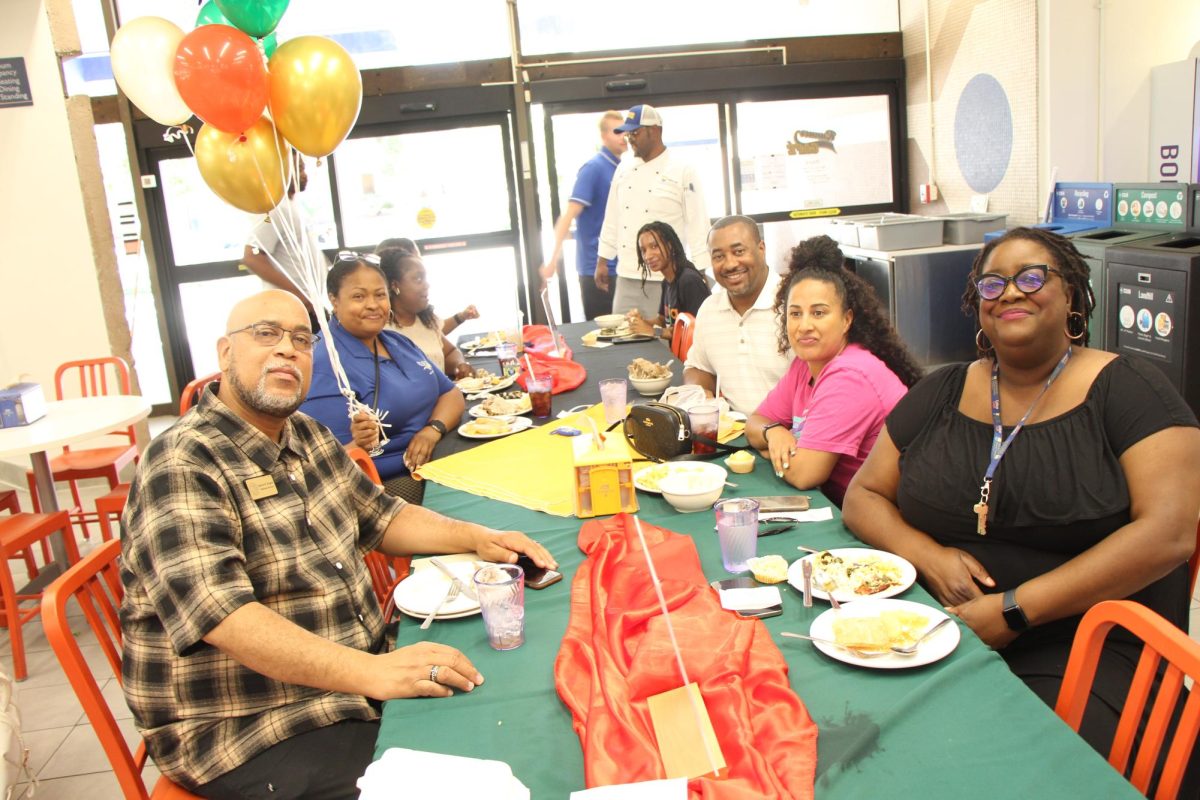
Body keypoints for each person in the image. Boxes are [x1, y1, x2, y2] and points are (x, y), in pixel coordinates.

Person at [120, 289, 556, 798]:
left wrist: (479, 537)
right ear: (225, 353)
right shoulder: (182, 463)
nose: (287, 349)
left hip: (348, 676)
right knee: (461, 774)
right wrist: (373, 672)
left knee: (516, 702)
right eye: (266, 334)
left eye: (301, 339)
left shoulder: (303, 435)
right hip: (248, 725)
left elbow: (382, 516)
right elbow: (224, 617)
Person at [842, 227, 1200, 787]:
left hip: (1088, 641)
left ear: (1072, 296)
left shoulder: (1131, 391)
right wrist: (930, 557)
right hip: (943, 624)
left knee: (1008, 774)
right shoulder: (940, 391)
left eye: (1032, 277)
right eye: (993, 283)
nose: (1010, 292)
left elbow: (1170, 533)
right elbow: (863, 496)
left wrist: (1015, 609)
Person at [746, 235, 922, 506]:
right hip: (843, 506)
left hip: (891, 517)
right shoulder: (804, 366)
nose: (804, 325)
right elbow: (755, 422)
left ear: (846, 320)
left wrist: (775, 449)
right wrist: (775, 433)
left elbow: (805, 474)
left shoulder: (850, 375)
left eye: (818, 313)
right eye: (795, 313)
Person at [299, 253, 464, 502]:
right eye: (359, 296)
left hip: (441, 451)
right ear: (334, 299)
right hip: (391, 481)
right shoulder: (324, 364)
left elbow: (450, 393)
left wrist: (432, 430)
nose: (373, 304)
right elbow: (337, 464)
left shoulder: (397, 341)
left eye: (380, 294)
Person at [596, 104, 711, 320]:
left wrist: (701, 269)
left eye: (635, 132)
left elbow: (697, 222)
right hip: (627, 274)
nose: (630, 139)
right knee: (621, 335)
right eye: (628, 133)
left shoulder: (683, 169)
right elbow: (612, 217)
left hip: (664, 278)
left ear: (655, 130)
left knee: (660, 340)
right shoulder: (623, 167)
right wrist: (603, 259)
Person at [684, 215, 792, 414]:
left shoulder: (794, 305)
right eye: (718, 256)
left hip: (791, 434)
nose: (730, 264)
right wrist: (701, 394)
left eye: (739, 251)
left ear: (761, 249)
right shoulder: (709, 309)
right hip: (734, 433)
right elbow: (698, 367)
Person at [539, 110, 627, 319]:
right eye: (617, 132)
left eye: (625, 131)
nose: (623, 136)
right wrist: (552, 260)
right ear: (604, 136)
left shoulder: (621, 167)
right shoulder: (594, 168)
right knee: (602, 338)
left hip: (620, 266)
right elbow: (567, 217)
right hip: (596, 270)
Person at [242, 155, 330, 304]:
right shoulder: (275, 209)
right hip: (294, 304)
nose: (304, 175)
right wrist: (300, 296)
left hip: (311, 301)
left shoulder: (291, 205)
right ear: (281, 172)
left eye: (303, 169)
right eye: (299, 169)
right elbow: (252, 257)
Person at [378, 248, 473, 380]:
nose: (427, 285)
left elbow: (450, 352)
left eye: (425, 278)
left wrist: (460, 365)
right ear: (395, 286)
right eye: (418, 279)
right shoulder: (382, 331)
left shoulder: (425, 321)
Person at [624, 221, 710, 340]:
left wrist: (653, 331)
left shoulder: (689, 280)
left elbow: (697, 331)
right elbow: (662, 321)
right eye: (643, 250)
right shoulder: (666, 282)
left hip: (692, 357)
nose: (647, 256)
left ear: (670, 245)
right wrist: (641, 323)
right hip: (677, 356)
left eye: (654, 246)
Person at [375, 237, 479, 335]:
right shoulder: (382, 325)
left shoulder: (419, 311)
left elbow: (435, 334)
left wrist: (461, 316)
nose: (419, 262)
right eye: (415, 257)